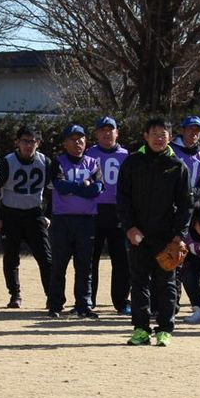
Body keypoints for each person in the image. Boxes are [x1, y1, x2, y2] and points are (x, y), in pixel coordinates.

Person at [116, 117, 191, 346]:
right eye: (154, 133)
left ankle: (165, 329)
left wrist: (179, 235)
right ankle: (140, 328)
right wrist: (129, 227)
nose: (159, 138)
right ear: (145, 136)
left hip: (167, 236)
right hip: (138, 234)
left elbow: (186, 204)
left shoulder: (177, 166)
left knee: (166, 282)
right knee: (138, 282)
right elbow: (122, 199)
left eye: (163, 134)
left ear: (170, 137)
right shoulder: (132, 163)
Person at [47, 124, 104, 318]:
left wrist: (76, 188)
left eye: (80, 138)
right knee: (59, 264)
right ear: (64, 143)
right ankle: (55, 305)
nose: (77, 142)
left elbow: (96, 189)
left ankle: (83, 304)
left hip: (86, 220)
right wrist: (83, 185)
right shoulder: (58, 162)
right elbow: (59, 186)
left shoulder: (93, 162)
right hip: (62, 220)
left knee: (84, 265)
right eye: (72, 139)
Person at [0, 125, 53, 308]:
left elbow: (53, 191)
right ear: (17, 143)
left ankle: (51, 295)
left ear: (38, 143)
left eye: (33, 141)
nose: (29, 145)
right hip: (10, 213)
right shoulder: (7, 161)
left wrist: (48, 214)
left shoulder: (45, 162)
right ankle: (15, 295)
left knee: (45, 258)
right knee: (11, 257)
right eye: (25, 141)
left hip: (34, 214)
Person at [86, 116, 130, 314]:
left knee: (121, 260)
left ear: (117, 132)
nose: (106, 133)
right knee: (89, 258)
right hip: (94, 210)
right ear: (96, 134)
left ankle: (121, 301)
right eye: (102, 130)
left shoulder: (126, 155)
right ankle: (88, 300)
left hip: (118, 211)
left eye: (110, 130)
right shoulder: (89, 154)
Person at [172, 116, 200, 202]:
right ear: (182, 130)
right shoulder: (169, 149)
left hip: (190, 205)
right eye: (190, 128)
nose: (194, 133)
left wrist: (190, 193)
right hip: (167, 203)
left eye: (197, 130)